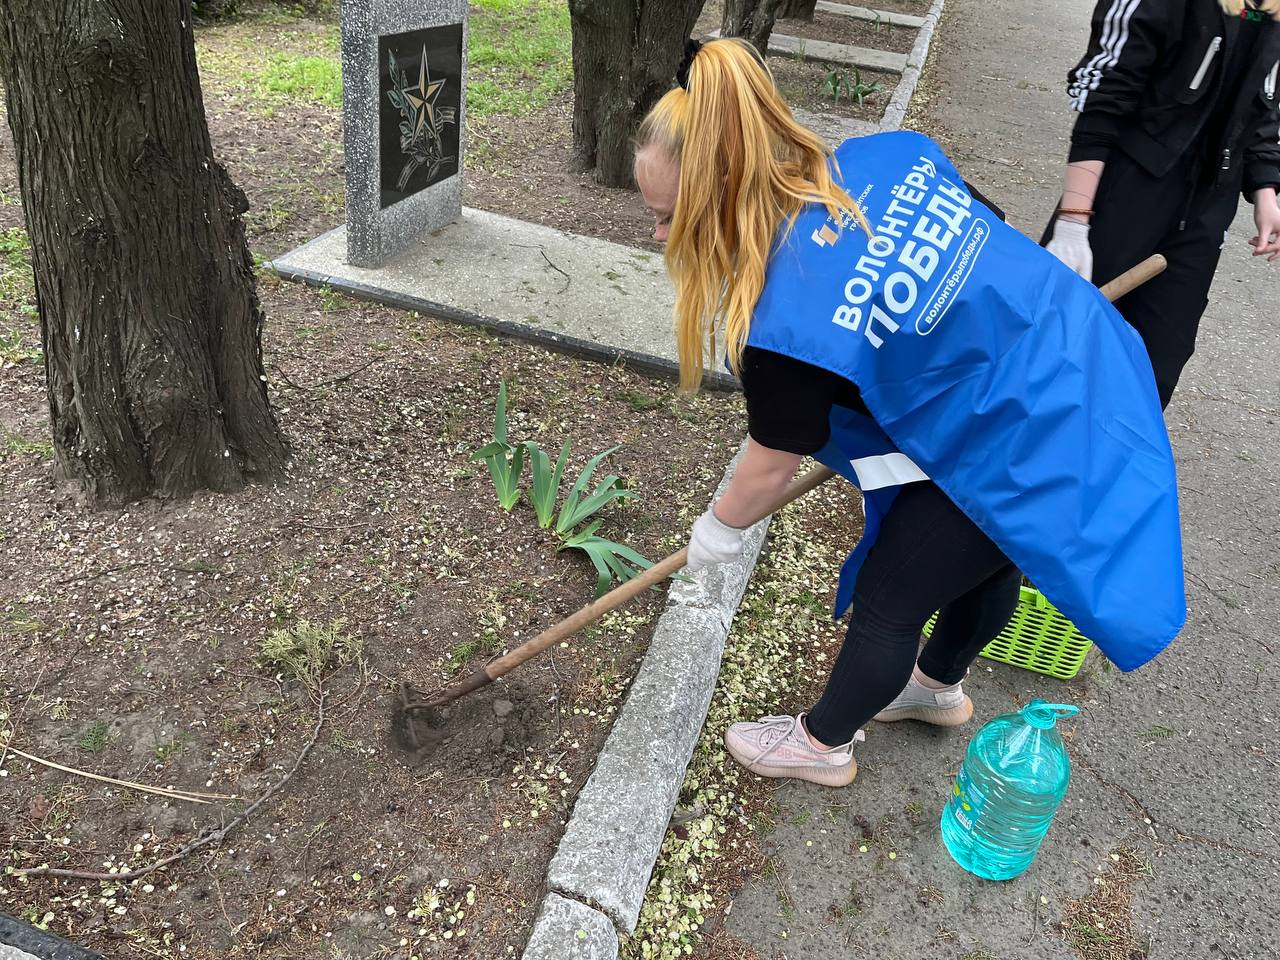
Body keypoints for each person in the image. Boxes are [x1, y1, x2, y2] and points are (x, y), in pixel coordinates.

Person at [634, 38, 1185, 788]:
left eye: (669, 217)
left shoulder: (786, 319)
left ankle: (821, 744)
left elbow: (771, 460)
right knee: (991, 546)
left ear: (721, 194)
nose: (658, 237)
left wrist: (718, 532)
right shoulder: (889, 155)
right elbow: (981, 225)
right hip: (1073, 362)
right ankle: (935, 689)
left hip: (1023, 426)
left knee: (892, 596)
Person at [1044, 0, 1280, 408]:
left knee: (1152, 372)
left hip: (1205, 210)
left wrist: (1266, 191)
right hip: (1122, 192)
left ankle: (1099, 470)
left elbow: (1264, 110)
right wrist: (1074, 219)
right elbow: (1105, 92)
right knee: (1057, 344)